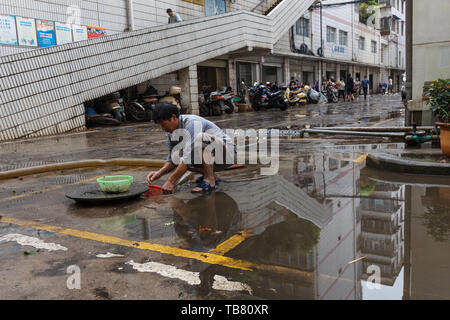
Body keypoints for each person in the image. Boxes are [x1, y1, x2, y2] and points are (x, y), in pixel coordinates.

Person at [147, 103, 238, 194]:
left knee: (200, 139)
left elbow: (188, 157)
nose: (163, 129)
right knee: (178, 155)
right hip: (216, 158)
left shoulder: (192, 123)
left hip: (228, 154)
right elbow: (172, 159)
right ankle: (211, 176)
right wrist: (159, 173)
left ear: (174, 117)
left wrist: (171, 181)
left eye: (164, 124)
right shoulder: (172, 135)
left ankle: (210, 180)